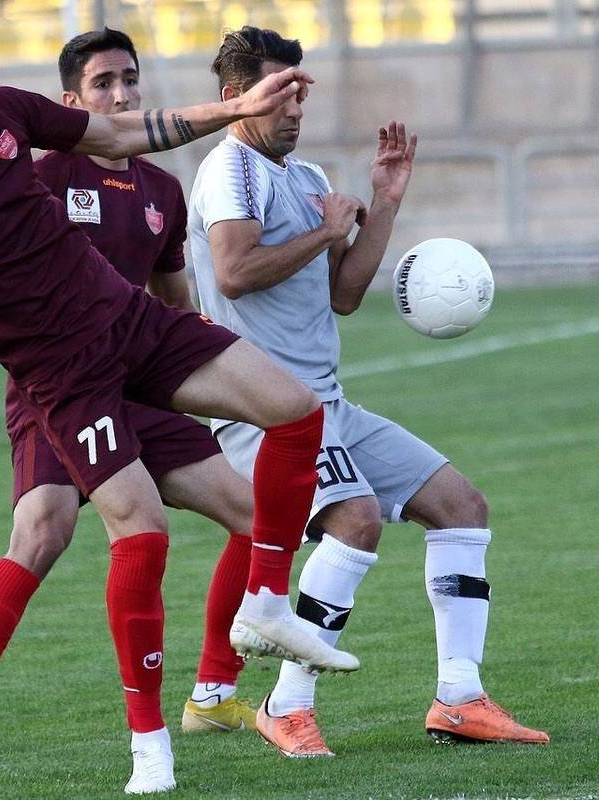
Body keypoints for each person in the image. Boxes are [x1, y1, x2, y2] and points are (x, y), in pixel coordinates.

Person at [0, 39, 357, 794]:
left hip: (134, 329)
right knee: (124, 530)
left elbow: (118, 134)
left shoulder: (19, 122)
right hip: (66, 382)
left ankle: (265, 608)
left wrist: (238, 109)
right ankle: (147, 747)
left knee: (294, 409)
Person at [0, 29, 261, 764]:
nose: (121, 95)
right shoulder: (35, 172)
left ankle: (214, 695)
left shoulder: (161, 192)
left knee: (252, 514)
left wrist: (203, 364)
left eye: (129, 79)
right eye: (102, 84)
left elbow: (172, 297)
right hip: (57, 388)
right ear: (71, 101)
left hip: (138, 377)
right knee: (43, 531)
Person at [187, 26, 550, 758]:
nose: (295, 109)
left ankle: (459, 698)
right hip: (263, 411)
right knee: (354, 520)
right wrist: (326, 234)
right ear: (234, 97)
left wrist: (383, 203)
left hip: (326, 404)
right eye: (280, 93)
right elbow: (233, 272)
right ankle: (286, 706)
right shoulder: (230, 170)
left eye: (301, 93)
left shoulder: (307, 175)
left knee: (461, 507)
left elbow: (343, 296)